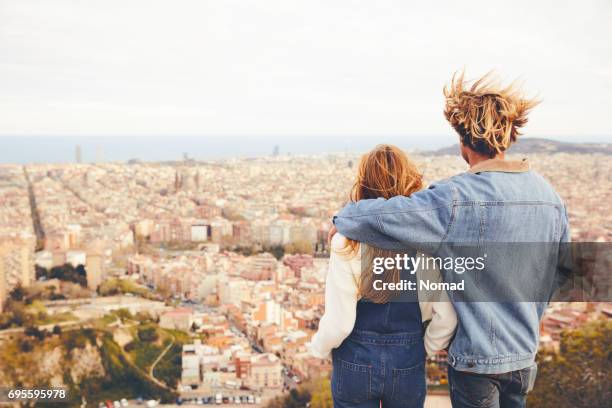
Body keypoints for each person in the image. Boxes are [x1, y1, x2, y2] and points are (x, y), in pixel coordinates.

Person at [331, 72, 570, 408]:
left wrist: (343, 220)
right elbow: (561, 271)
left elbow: (391, 216)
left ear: (463, 142)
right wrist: (526, 313)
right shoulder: (550, 197)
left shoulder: (454, 198)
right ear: (509, 136)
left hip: (475, 359)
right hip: (522, 356)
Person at [311, 144, 457, 408]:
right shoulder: (427, 244)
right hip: (408, 360)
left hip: (354, 360)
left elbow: (340, 323)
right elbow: (446, 316)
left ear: (364, 184)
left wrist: (318, 348)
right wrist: (423, 349)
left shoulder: (346, 241)